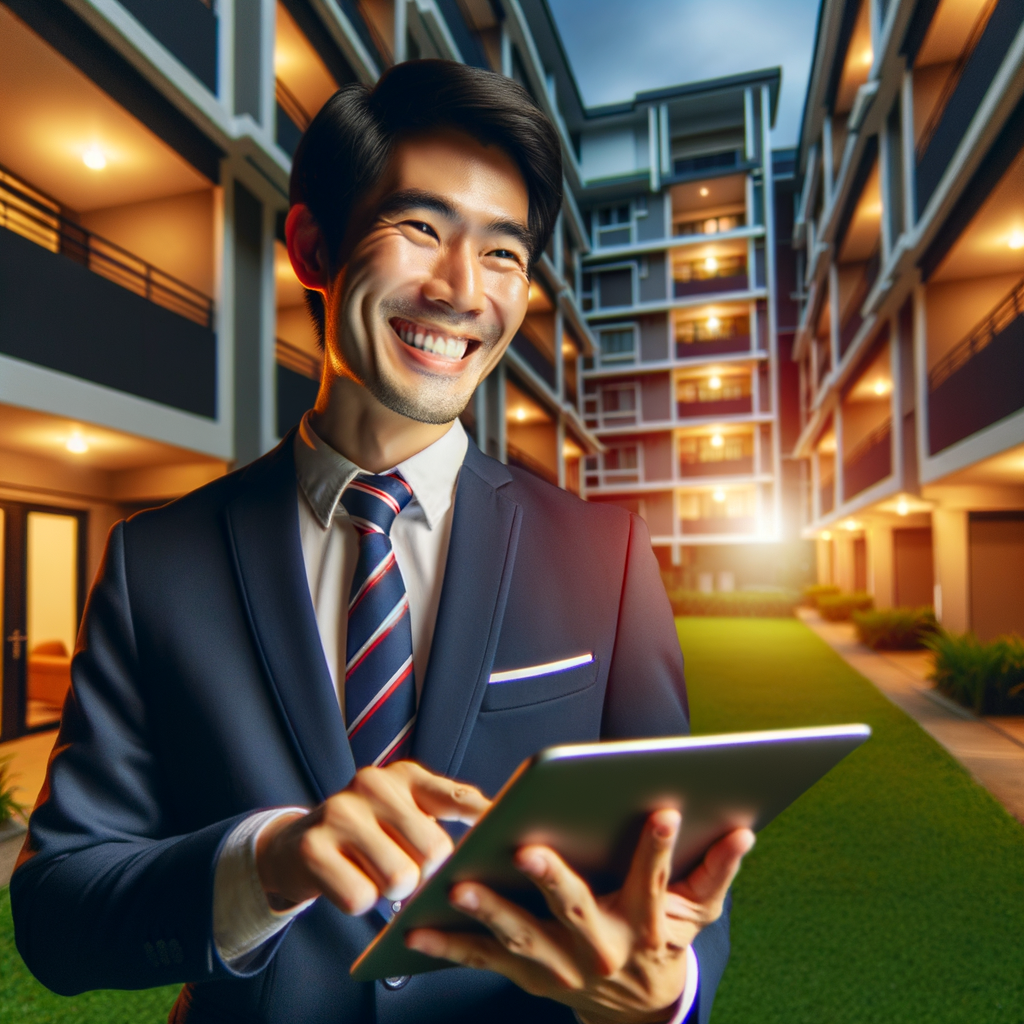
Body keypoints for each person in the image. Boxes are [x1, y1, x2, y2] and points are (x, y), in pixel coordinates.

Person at [11, 60, 753, 1024]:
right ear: (313, 247)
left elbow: (672, 852)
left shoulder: (603, 554)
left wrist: (667, 995)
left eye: (504, 255)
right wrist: (269, 860)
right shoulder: (158, 562)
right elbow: (58, 909)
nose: (460, 290)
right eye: (421, 228)